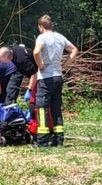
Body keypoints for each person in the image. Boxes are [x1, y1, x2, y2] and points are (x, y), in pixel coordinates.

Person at [32, 15, 77, 148]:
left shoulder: (42, 37)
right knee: (56, 107)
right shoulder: (60, 37)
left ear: (41, 26)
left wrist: (40, 65)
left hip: (46, 77)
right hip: (58, 76)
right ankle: (59, 139)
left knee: (42, 108)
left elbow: (36, 52)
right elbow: (74, 50)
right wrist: (64, 65)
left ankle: (42, 141)